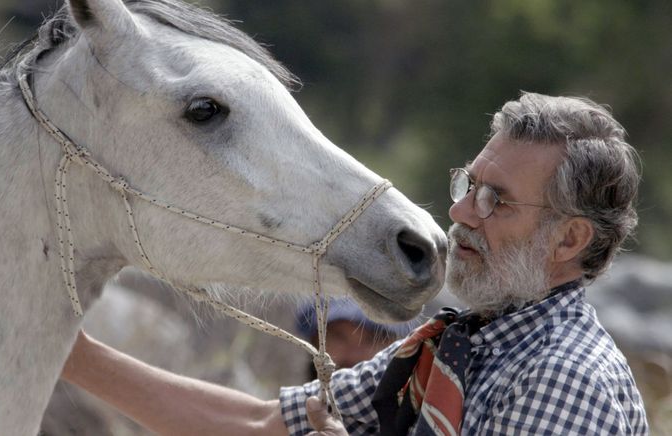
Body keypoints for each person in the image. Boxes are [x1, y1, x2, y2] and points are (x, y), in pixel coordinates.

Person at [60, 93, 649, 435]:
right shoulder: (466, 346)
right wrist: (61, 347)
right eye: (470, 184)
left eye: (496, 199)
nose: (462, 210)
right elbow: (264, 426)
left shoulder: (562, 375)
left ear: (569, 238)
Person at [295, 298, 414, 380]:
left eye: (372, 339)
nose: (355, 355)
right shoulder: (287, 412)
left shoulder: (421, 414)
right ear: (314, 342)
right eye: (339, 337)